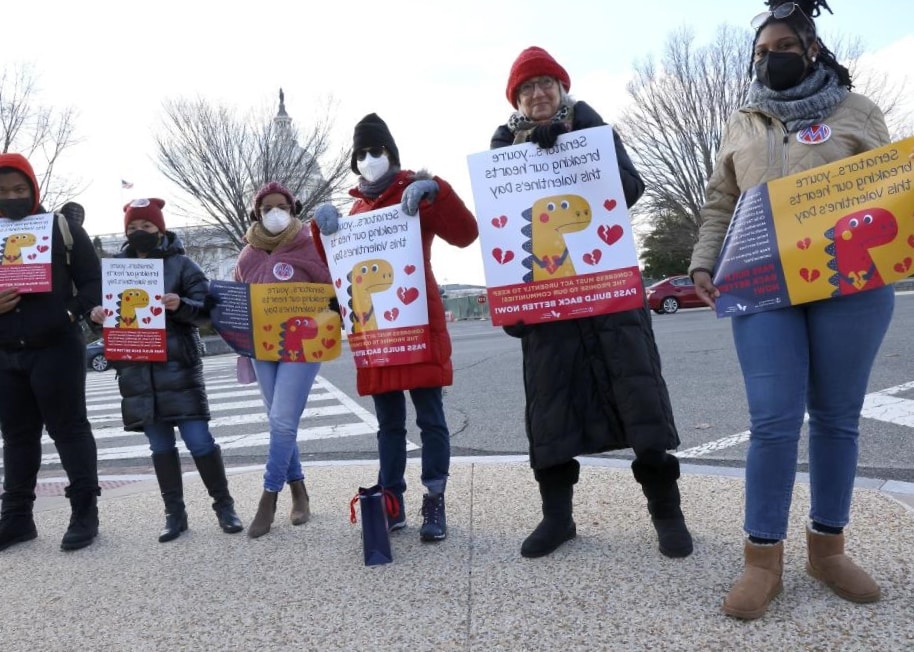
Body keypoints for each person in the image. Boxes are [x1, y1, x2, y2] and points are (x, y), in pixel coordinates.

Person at [689, 0, 894, 620]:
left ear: (810, 49)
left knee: (838, 417)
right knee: (774, 420)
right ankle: (762, 558)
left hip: (849, 280)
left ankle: (827, 548)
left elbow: (891, 190)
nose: (769, 58)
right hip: (759, 282)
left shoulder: (857, 113)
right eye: (760, 51)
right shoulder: (742, 120)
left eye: (782, 46)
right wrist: (704, 259)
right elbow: (722, 199)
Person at [490, 47, 693, 560]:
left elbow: (630, 188)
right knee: (551, 413)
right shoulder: (501, 150)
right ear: (516, 98)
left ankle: (666, 514)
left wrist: (579, 143)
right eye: (527, 87)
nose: (538, 94)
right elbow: (503, 228)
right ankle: (557, 518)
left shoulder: (593, 129)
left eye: (546, 83)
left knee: (640, 403)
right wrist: (512, 299)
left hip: (609, 298)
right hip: (547, 302)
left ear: (562, 88)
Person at [312, 113, 479, 542]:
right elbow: (337, 270)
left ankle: (434, 500)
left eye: (377, 151)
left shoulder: (416, 193)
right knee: (388, 425)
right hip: (377, 333)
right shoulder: (353, 211)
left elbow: (465, 234)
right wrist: (320, 229)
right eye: (362, 154)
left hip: (417, 323)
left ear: (392, 154)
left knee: (431, 418)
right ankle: (392, 501)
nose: (369, 160)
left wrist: (437, 191)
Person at [89, 198, 243, 542]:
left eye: (145, 226)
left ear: (160, 228)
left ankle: (224, 506)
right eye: (132, 227)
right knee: (160, 448)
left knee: (199, 441)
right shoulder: (114, 269)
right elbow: (110, 321)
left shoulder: (182, 264)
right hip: (137, 373)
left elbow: (208, 310)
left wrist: (181, 305)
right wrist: (97, 316)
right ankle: (175, 514)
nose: (139, 232)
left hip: (179, 369)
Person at [0, 153, 102, 552]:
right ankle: (17, 519)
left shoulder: (62, 228)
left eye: (20, 189)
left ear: (33, 188)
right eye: (4, 191)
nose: (12, 196)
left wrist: (69, 311)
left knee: (70, 430)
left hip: (56, 348)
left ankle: (84, 512)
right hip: (5, 353)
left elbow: (93, 282)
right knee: (16, 437)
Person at [235, 181, 331, 539]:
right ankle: (299, 490)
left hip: (304, 345)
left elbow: (333, 290)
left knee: (283, 420)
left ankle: (268, 495)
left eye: (282, 207)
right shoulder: (247, 256)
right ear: (257, 214)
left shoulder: (310, 246)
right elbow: (237, 299)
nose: (275, 214)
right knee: (278, 423)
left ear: (293, 209)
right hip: (263, 348)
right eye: (266, 208)